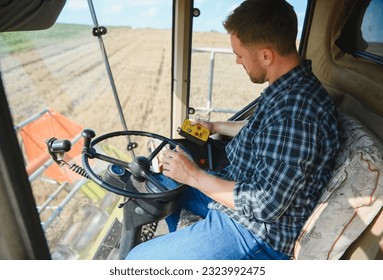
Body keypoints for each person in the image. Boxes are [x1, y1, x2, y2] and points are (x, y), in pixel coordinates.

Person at [126, 0, 339, 260]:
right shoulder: (288, 89)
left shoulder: (297, 110)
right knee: (161, 183)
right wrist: (215, 126)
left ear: (266, 55)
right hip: (236, 191)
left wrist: (192, 176)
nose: (238, 61)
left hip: (255, 232)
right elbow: (263, 130)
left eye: (239, 54)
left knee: (136, 261)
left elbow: (265, 204)